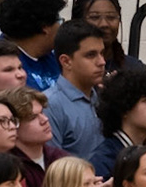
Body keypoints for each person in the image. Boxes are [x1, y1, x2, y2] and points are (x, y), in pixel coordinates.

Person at [46, 19, 109, 165]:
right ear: (66, 61)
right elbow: (52, 167)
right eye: (91, 55)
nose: (102, 62)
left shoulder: (103, 98)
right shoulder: (50, 105)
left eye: (102, 53)